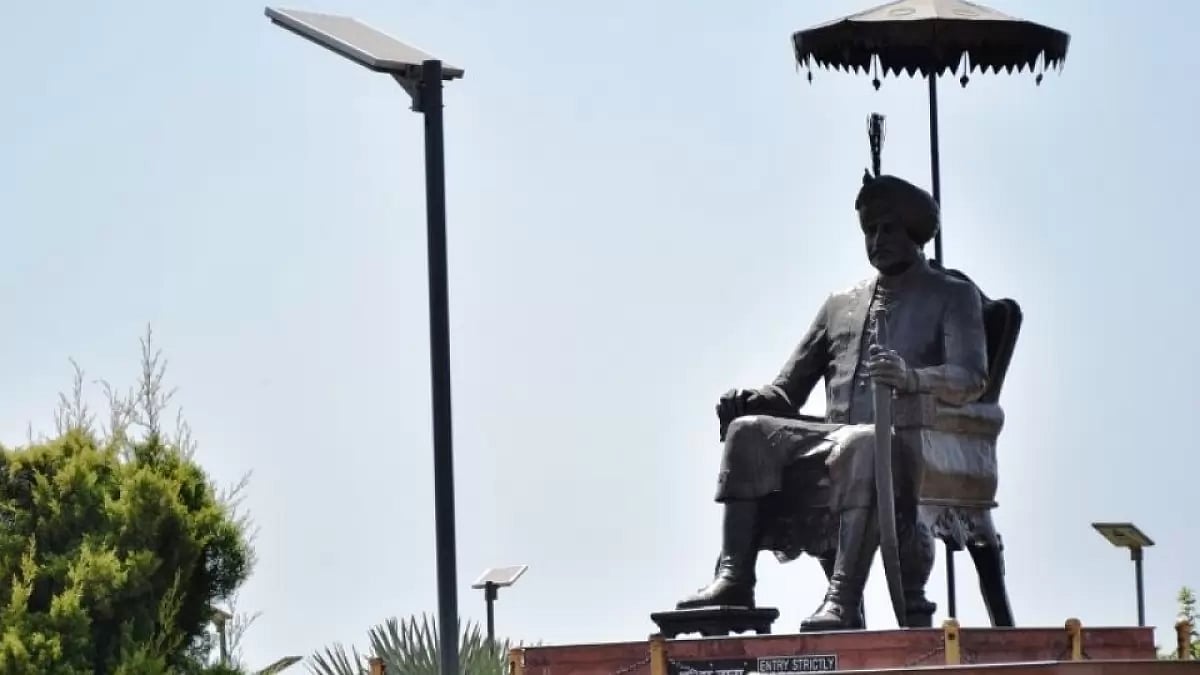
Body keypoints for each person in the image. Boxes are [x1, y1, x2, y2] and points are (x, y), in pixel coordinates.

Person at [675, 172, 989, 631]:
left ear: (915, 233)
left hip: (907, 445)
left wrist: (911, 377)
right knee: (747, 433)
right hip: (834, 439)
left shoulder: (952, 296)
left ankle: (841, 597)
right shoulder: (840, 303)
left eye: (888, 228)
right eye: (869, 230)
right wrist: (752, 399)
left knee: (863, 443)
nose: (877, 239)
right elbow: (787, 390)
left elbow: (971, 376)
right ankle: (735, 578)